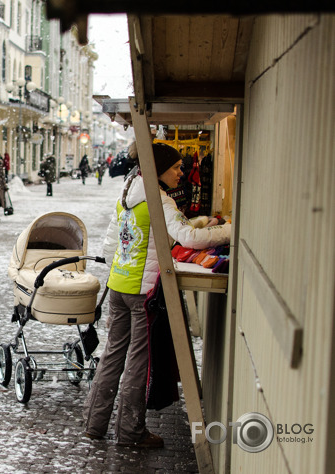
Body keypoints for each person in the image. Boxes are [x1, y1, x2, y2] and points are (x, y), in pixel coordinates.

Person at [83, 143, 231, 448]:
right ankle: (130, 432)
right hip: (143, 292)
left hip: (119, 286)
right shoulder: (159, 199)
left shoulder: (127, 194)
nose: (181, 172)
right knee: (139, 362)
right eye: (176, 167)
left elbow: (111, 246)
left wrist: (120, 273)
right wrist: (229, 231)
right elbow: (189, 236)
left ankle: (94, 424)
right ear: (160, 169)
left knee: (112, 356)